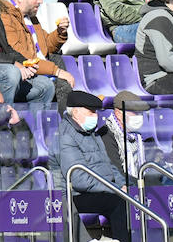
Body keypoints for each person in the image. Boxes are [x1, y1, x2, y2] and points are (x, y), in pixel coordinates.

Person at [52, 89, 132, 242]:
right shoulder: (66, 137)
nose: (95, 116)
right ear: (75, 113)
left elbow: (110, 166)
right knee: (118, 203)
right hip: (76, 196)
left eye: (95, 112)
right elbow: (79, 179)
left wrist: (123, 184)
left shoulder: (91, 133)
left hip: (101, 189)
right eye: (91, 112)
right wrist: (115, 189)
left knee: (138, 192)